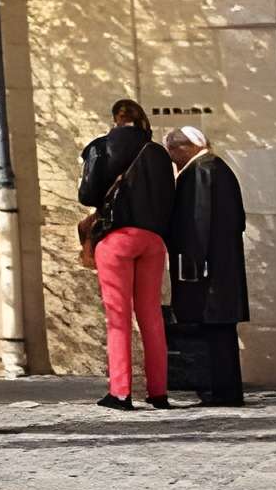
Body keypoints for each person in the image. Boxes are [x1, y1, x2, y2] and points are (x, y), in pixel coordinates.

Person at [80, 96, 175, 410]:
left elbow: (88, 195)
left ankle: (120, 392)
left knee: (117, 318)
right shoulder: (159, 152)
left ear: (115, 119)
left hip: (117, 238)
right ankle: (158, 392)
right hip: (153, 240)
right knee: (151, 317)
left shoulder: (102, 147)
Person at [164, 125, 250, 407]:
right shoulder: (217, 168)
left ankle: (217, 391)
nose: (171, 157)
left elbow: (198, 222)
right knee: (221, 331)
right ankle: (226, 391)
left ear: (184, 147)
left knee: (213, 331)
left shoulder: (201, 171)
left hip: (207, 268)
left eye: (172, 150)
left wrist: (192, 262)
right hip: (224, 264)